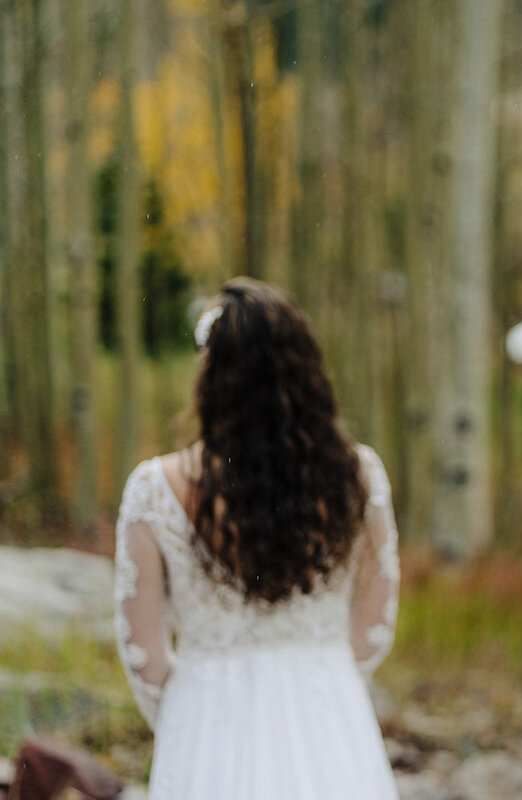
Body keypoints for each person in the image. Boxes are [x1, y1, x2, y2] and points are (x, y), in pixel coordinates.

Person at [114, 277, 400, 799]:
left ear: (211, 375)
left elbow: (144, 655)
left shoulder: (156, 489)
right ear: (306, 371)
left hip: (206, 721)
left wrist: (187, 712)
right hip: (331, 719)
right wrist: (320, 673)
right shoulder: (358, 477)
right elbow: (374, 626)